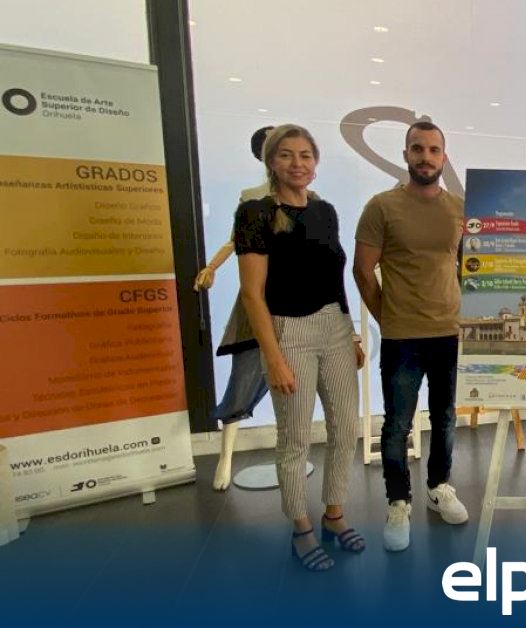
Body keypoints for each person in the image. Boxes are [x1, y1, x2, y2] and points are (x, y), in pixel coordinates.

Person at [234, 124, 366, 571]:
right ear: (271, 162)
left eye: (306, 155)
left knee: (346, 429)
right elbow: (252, 294)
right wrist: (273, 358)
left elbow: (335, 278)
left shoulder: (325, 211)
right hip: (287, 331)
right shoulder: (255, 212)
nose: (297, 164)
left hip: (334, 326)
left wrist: (351, 334)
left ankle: (334, 515)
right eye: (287, 155)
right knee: (295, 439)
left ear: (315, 161)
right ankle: (301, 528)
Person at [353, 120, 469, 553]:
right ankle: (398, 502)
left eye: (434, 150)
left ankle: (439, 487)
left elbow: (469, 267)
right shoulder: (382, 207)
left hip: (448, 332)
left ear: (444, 157)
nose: (425, 157)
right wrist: (388, 318)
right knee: (398, 424)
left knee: (445, 417)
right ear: (405, 154)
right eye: (417, 148)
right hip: (402, 338)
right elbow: (362, 271)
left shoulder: (459, 209)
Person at [195, 125, 274, 492]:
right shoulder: (251, 197)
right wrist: (212, 266)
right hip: (258, 295)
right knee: (244, 372)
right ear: (262, 154)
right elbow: (234, 241)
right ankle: (226, 455)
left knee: (299, 378)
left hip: (296, 300)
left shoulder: (310, 197)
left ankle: (289, 452)